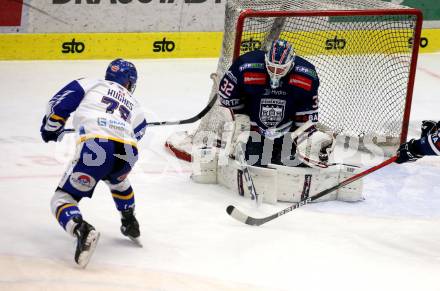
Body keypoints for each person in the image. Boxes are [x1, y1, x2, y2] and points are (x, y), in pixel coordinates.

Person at [40, 58, 147, 268]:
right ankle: (129, 220)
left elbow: (58, 105)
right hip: (128, 151)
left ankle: (81, 228)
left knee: (62, 198)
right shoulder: (135, 104)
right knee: (118, 181)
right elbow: (140, 131)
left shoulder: (91, 83)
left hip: (97, 146)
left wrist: (51, 128)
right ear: (128, 83)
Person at [218, 38, 322, 167]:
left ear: (291, 63)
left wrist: (302, 138)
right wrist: (240, 121)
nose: (275, 73)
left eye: (280, 69)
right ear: (266, 60)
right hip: (254, 130)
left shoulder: (307, 76)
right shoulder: (245, 67)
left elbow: (307, 113)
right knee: (252, 162)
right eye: (272, 67)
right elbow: (226, 98)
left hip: (288, 132)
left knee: (293, 164)